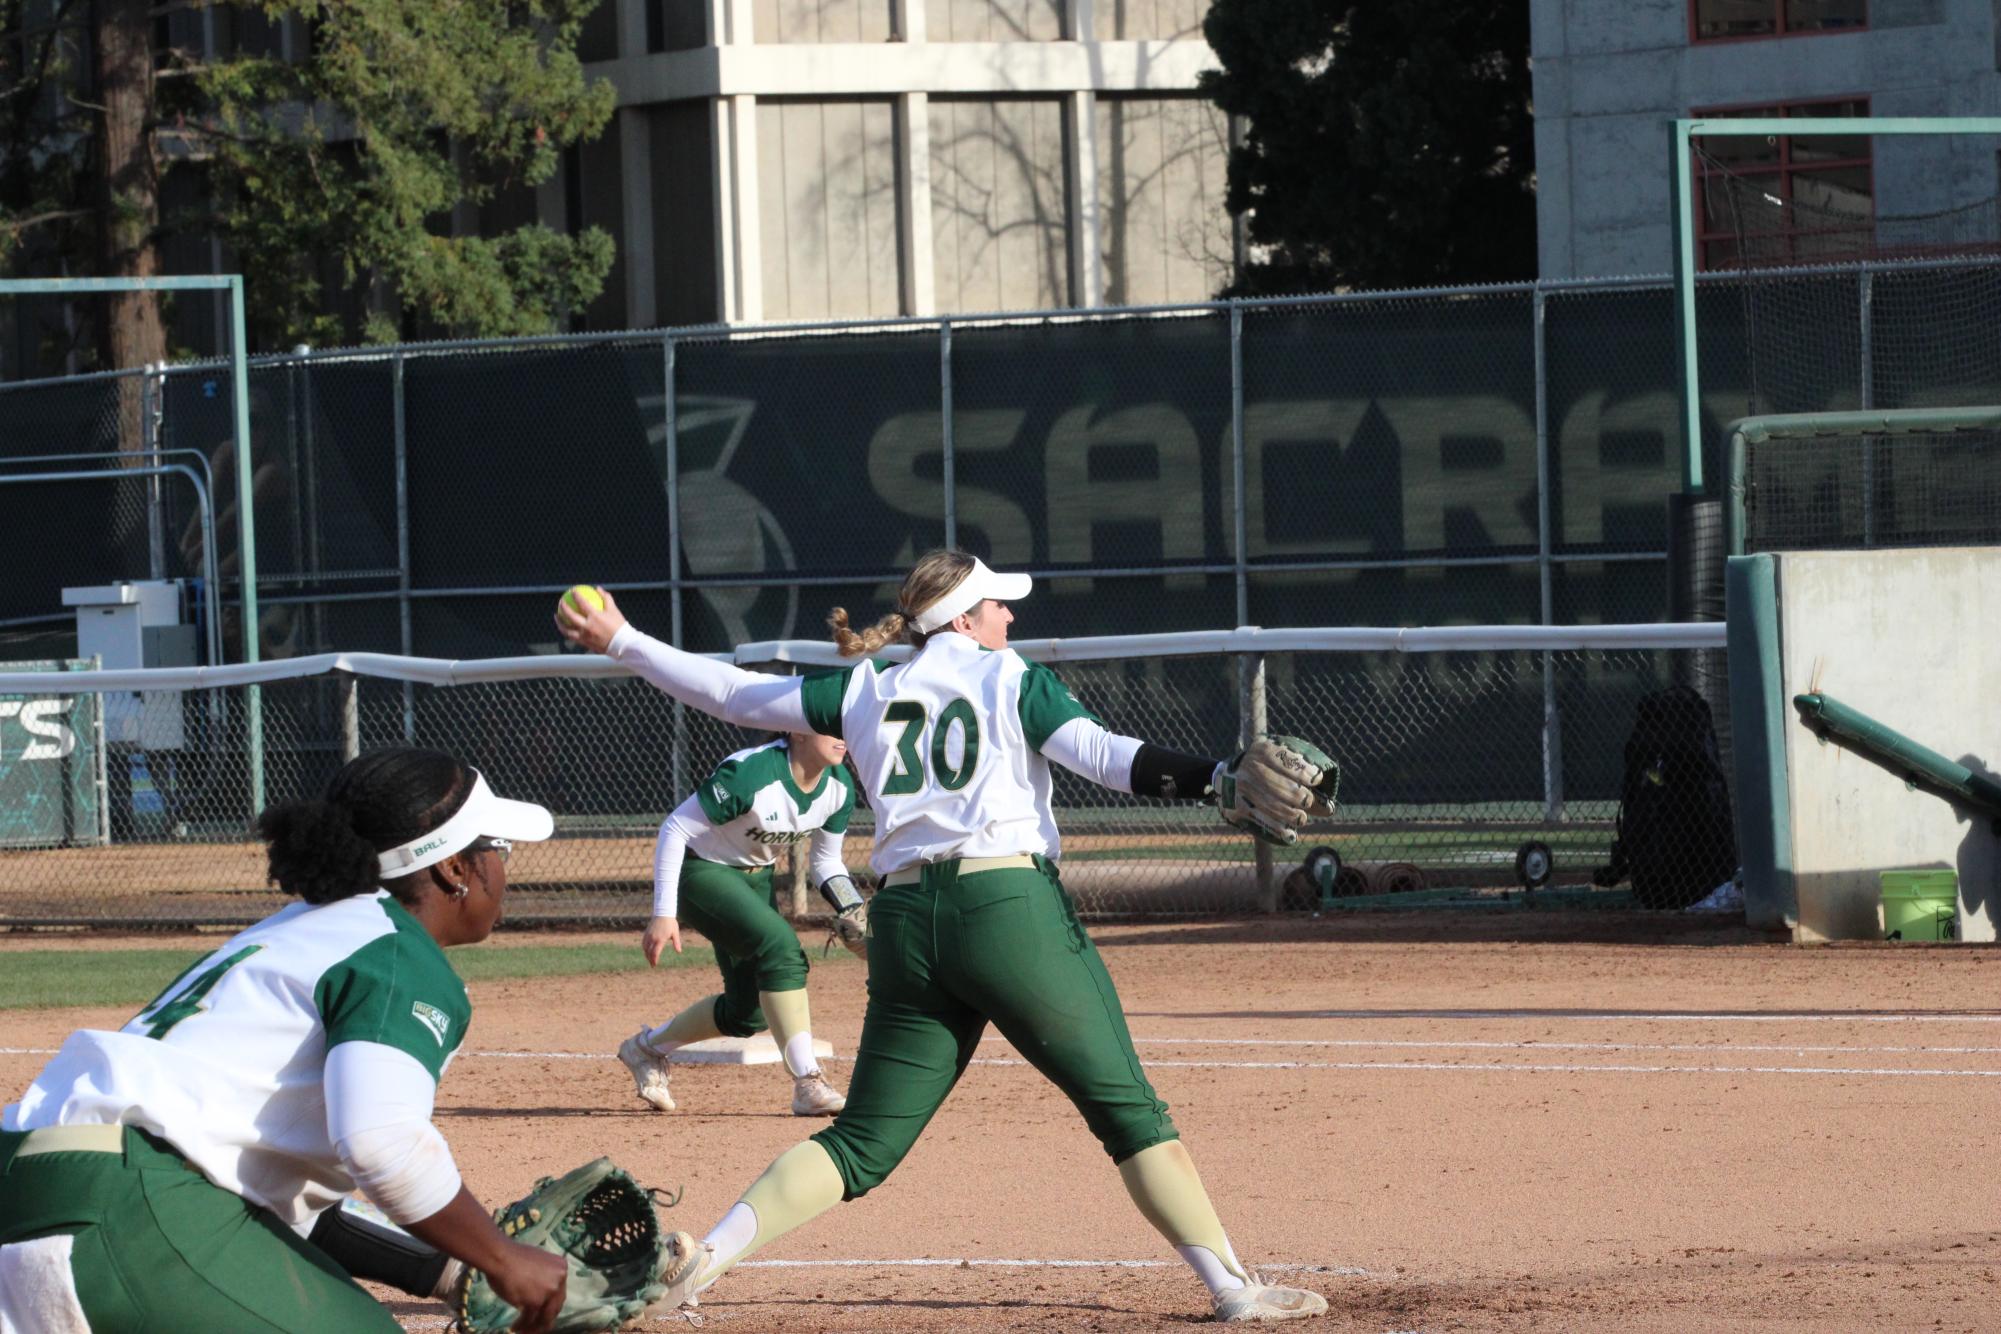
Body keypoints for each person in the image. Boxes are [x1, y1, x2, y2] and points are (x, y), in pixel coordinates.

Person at [557, 551, 1333, 1324]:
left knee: (861, 1140)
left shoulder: (867, 686)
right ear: (962, 618)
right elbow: (1100, 755)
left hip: (902, 923)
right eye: (996, 604)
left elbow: (729, 693)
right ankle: (1233, 1288)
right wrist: (1214, 780)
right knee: (1127, 1110)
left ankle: (706, 1259)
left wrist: (624, 637)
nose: (1009, 615)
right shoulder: (1009, 677)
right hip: (1007, 909)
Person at [0, 747, 569, 1333]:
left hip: (31, 1187)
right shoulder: (398, 954)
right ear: (454, 868)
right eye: (497, 850)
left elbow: (282, 1205)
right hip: (133, 1205)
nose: (504, 870)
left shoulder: (297, 929)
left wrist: (452, 1268)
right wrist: (502, 1258)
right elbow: (382, 1146)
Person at [615, 731, 860, 1117]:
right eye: (829, 725)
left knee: (747, 1014)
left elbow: (826, 862)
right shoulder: (752, 773)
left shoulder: (839, 786)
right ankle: (807, 1081)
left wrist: (852, 908)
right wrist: (664, 913)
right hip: (701, 872)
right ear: (797, 729)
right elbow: (676, 828)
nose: (842, 736)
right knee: (782, 950)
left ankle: (646, 1048)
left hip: (756, 877)